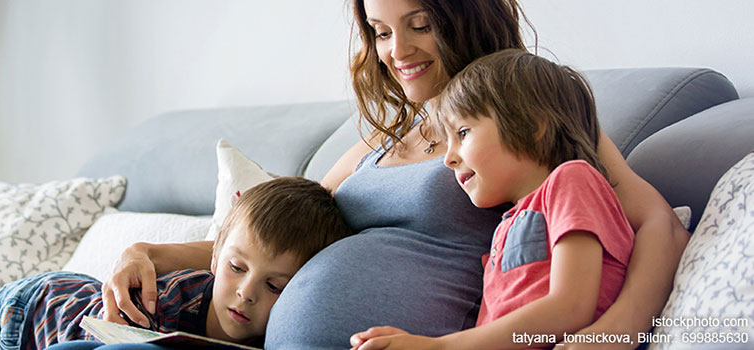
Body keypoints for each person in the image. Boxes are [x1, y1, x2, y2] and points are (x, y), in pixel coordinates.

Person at [89, 0, 690, 349]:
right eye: (380, 31)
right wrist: (151, 253)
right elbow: (269, 239)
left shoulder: (524, 117)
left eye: (420, 22)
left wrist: (609, 336)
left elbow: (657, 222)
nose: (396, 49)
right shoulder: (377, 143)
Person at [0, 177, 353, 350]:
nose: (246, 294)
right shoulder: (171, 305)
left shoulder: (284, 334)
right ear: (217, 251)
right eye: (237, 269)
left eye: (276, 286)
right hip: (28, 317)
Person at [349, 49, 635, 350]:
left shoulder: (573, 180)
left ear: (532, 124)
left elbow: (571, 307)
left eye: (463, 133)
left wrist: (436, 347)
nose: (448, 159)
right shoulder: (507, 224)